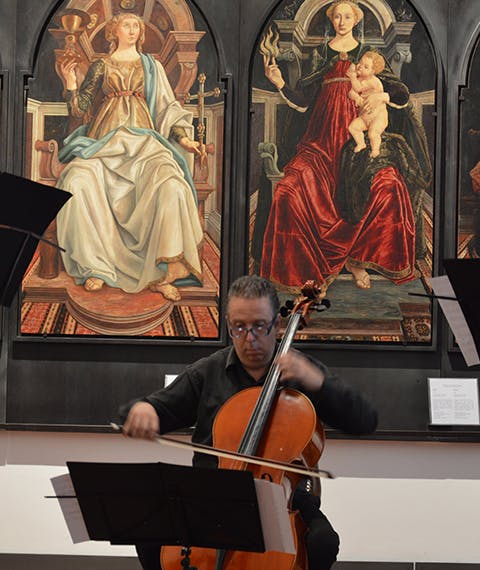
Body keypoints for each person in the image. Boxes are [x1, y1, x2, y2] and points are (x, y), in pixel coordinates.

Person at [121, 274, 378, 570]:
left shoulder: (302, 372)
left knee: (322, 542)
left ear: (277, 325)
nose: (249, 338)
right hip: (211, 497)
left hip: (284, 502)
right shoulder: (208, 372)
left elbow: (364, 420)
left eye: (259, 326)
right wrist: (143, 409)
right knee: (149, 534)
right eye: (239, 328)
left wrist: (317, 382)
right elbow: (155, 409)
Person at [260, 0, 431, 294]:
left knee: (389, 186)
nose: (341, 20)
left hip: (358, 142)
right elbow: (302, 101)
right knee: (289, 190)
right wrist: (278, 83)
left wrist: (383, 97)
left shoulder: (369, 57)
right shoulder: (320, 55)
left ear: (356, 20)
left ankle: (359, 258)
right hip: (319, 145)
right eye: (336, 15)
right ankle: (305, 272)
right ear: (331, 20)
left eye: (347, 16)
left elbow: (398, 92)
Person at [55, 13, 205, 302]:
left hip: (145, 142)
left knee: (172, 185)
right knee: (77, 179)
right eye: (127, 24)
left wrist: (184, 139)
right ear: (114, 30)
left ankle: (164, 273)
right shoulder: (101, 65)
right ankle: (94, 266)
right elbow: (80, 107)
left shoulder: (153, 66)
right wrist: (71, 83)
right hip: (104, 142)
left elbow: (165, 106)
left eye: (136, 25)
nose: (133, 29)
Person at [347, 51, 388, 158]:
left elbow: (358, 88)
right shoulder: (361, 79)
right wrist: (355, 97)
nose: (360, 66)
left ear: (373, 71)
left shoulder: (373, 81)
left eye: (366, 67)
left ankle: (375, 150)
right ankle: (361, 143)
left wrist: (352, 77)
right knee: (353, 127)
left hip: (378, 117)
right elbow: (351, 92)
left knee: (373, 133)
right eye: (360, 62)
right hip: (365, 116)